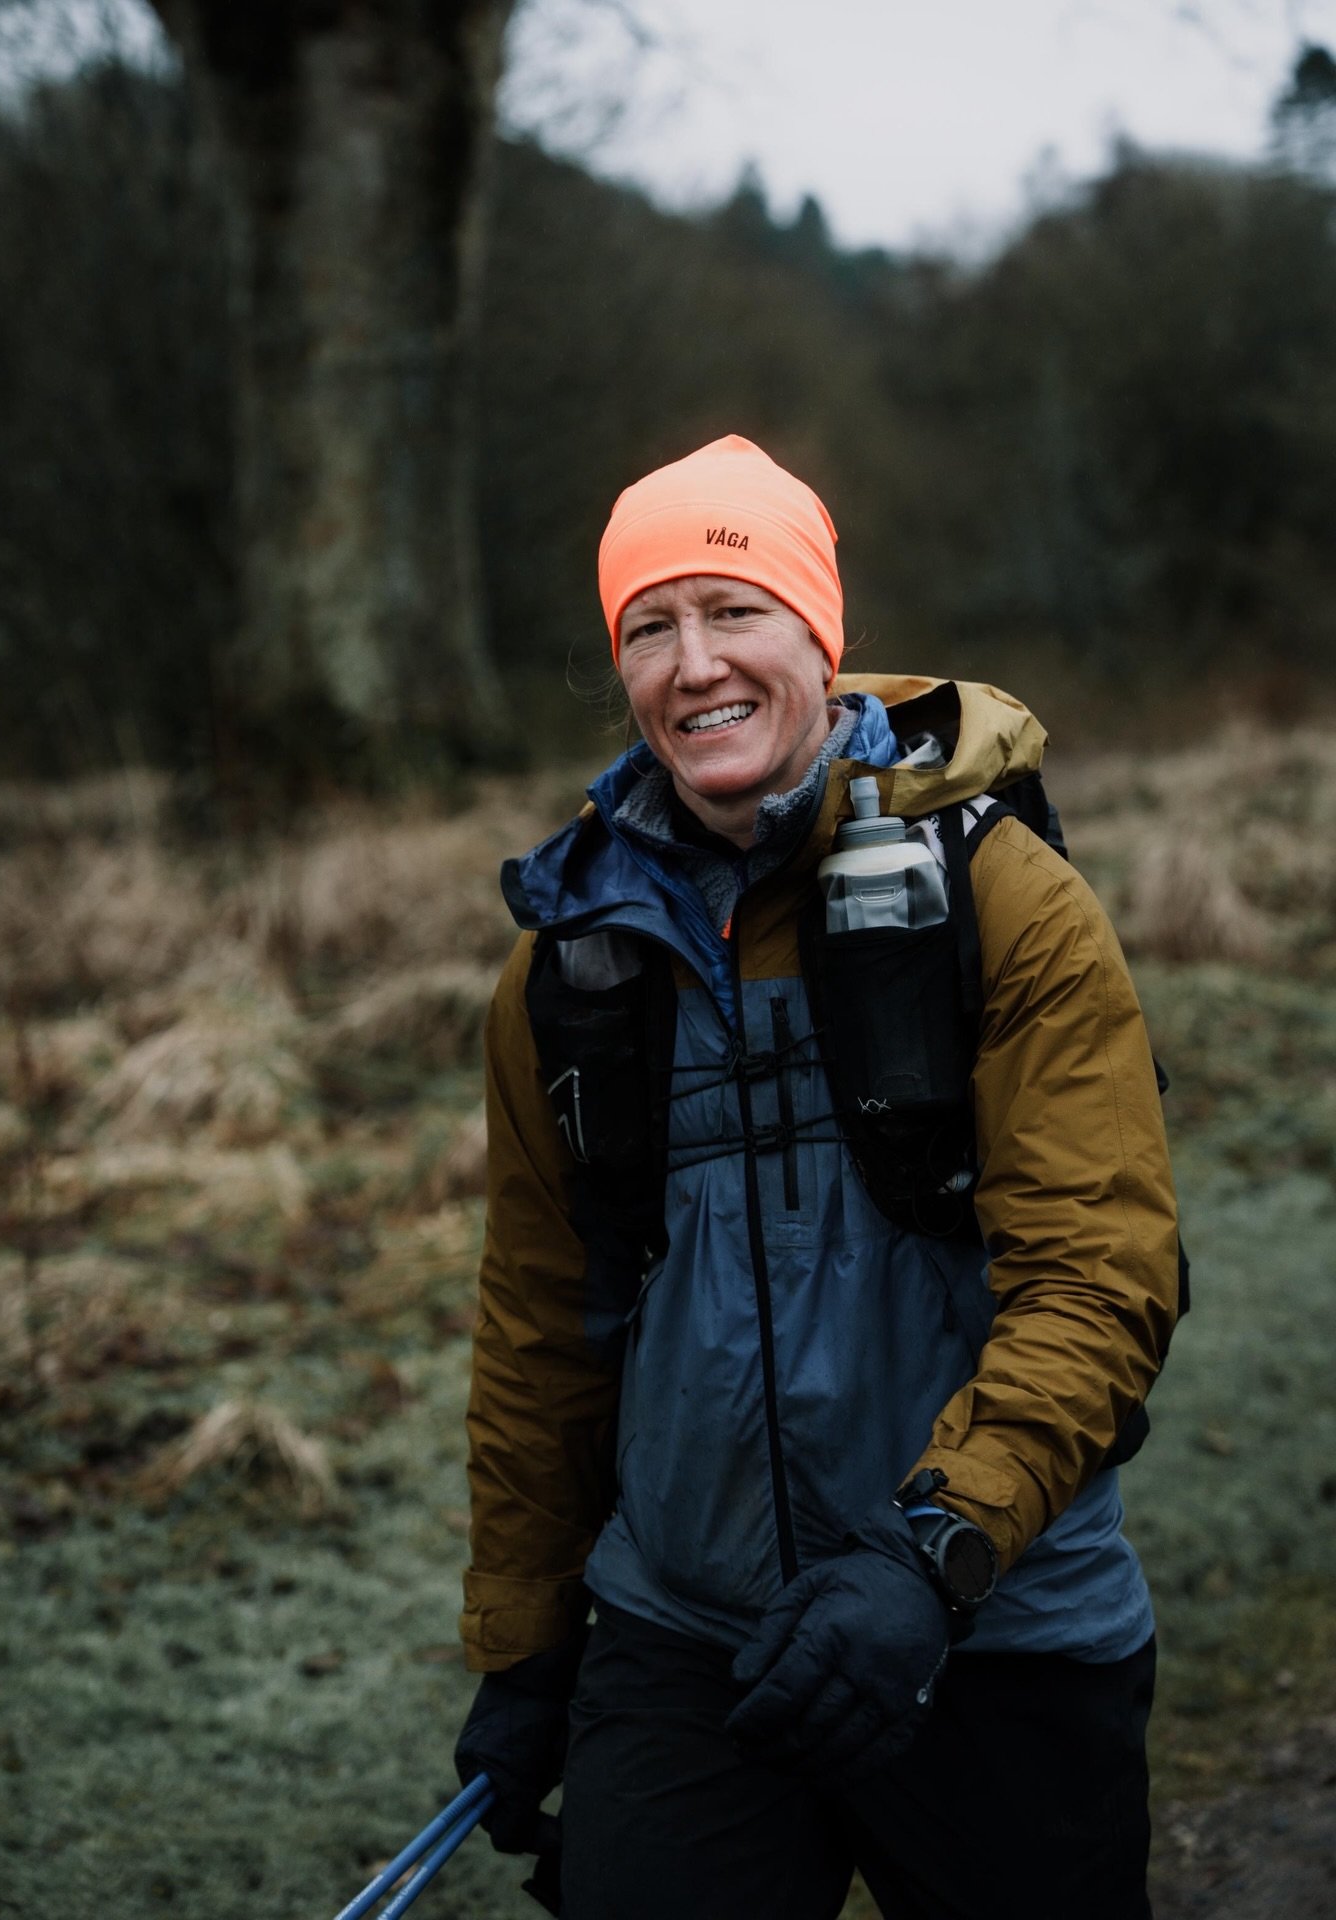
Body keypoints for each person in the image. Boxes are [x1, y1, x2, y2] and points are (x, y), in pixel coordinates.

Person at [454, 434, 1180, 1920]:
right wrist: (527, 1651)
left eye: (734, 611)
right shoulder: (563, 972)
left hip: (996, 1620)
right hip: (689, 1639)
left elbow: (1101, 1276)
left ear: (818, 635)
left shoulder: (1003, 901)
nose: (693, 663)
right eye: (649, 627)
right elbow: (539, 1333)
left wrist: (931, 1558)